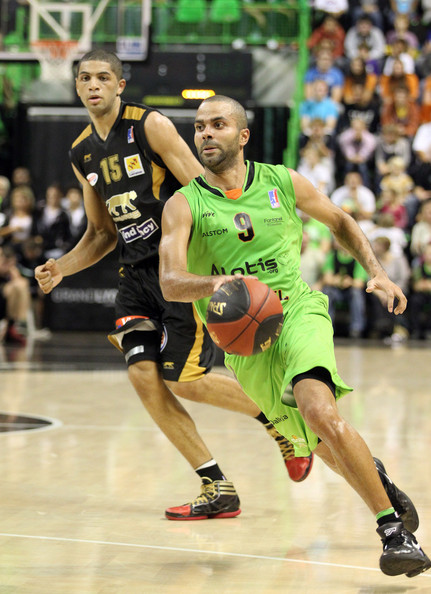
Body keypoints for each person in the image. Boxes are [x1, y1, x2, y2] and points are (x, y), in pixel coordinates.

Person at [159, 94, 431, 577]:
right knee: (317, 442)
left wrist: (377, 271)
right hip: (243, 345)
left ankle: (393, 532)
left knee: (318, 410)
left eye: (217, 124)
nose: (204, 133)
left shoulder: (282, 181)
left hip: (297, 311)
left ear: (242, 136)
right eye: (199, 127)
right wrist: (216, 284)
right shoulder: (184, 205)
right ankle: (378, 477)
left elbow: (341, 220)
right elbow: (170, 282)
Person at [34, 49, 314, 521]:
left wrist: (231, 264)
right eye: (85, 78)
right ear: (77, 87)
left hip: (178, 269)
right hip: (135, 277)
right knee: (144, 373)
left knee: (186, 383)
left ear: (120, 85)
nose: (94, 85)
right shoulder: (81, 151)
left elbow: (204, 191)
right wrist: (62, 267)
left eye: (104, 76)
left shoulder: (149, 126)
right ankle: (216, 485)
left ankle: (277, 420)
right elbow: (102, 233)